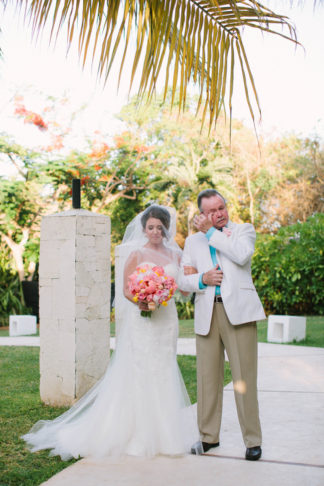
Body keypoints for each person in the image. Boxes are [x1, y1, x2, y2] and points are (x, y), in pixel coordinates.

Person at [22, 205, 199, 459]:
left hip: (166, 320)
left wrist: (185, 281)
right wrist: (141, 299)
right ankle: (140, 435)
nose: (155, 232)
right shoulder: (137, 254)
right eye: (151, 227)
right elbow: (127, 289)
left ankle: (166, 436)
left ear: (166, 229)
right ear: (144, 229)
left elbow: (182, 289)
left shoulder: (176, 255)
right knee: (141, 372)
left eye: (160, 227)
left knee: (164, 370)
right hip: (144, 320)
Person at [178, 189, 266, 461]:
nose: (219, 213)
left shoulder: (243, 231)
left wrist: (210, 233)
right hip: (207, 314)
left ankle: (252, 440)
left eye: (221, 208)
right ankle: (208, 437)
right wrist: (202, 279)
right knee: (207, 380)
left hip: (239, 314)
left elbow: (241, 255)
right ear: (202, 214)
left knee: (243, 380)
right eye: (212, 211)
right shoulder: (192, 243)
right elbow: (182, 282)